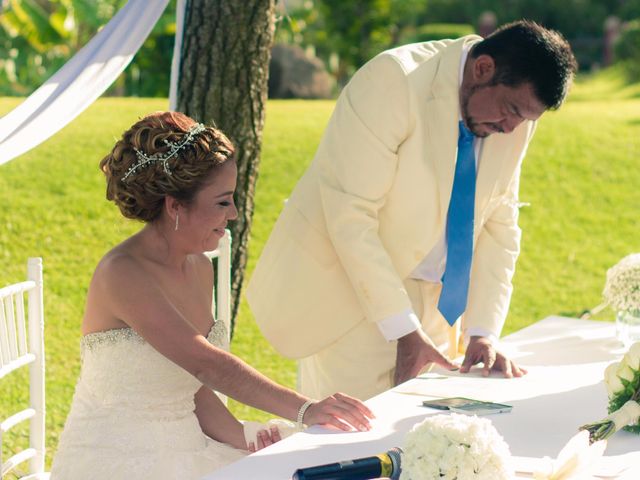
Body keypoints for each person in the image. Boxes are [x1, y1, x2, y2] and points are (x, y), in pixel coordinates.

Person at [246, 20, 578, 401]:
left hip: (441, 312)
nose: (511, 128)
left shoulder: (512, 121)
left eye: (525, 120)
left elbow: (499, 224)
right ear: (482, 68)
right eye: (511, 110)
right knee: (350, 447)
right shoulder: (393, 81)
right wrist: (403, 329)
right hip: (354, 301)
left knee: (427, 447)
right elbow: (350, 216)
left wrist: (483, 331)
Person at [50, 111, 373, 480]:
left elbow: (194, 389)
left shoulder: (201, 268)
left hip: (190, 451)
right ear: (175, 206)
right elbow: (208, 364)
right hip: (114, 463)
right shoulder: (121, 274)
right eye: (222, 202)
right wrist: (305, 409)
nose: (234, 213)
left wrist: (244, 437)